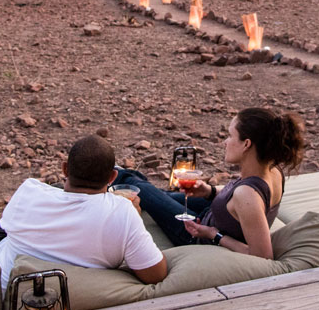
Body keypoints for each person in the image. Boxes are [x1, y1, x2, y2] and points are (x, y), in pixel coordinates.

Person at [0, 134, 168, 292]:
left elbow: (7, 228)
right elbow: (156, 274)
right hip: (70, 292)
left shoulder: (30, 191)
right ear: (112, 177)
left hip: (7, 281)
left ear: (65, 169)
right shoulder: (123, 213)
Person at [113, 107, 305, 259]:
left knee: (140, 188)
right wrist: (210, 191)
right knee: (161, 194)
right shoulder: (271, 169)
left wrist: (213, 234)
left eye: (230, 136)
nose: (225, 142)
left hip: (196, 236)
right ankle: (123, 177)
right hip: (212, 214)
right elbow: (239, 201)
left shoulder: (247, 195)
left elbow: (263, 255)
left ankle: (113, 174)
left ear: (247, 144)